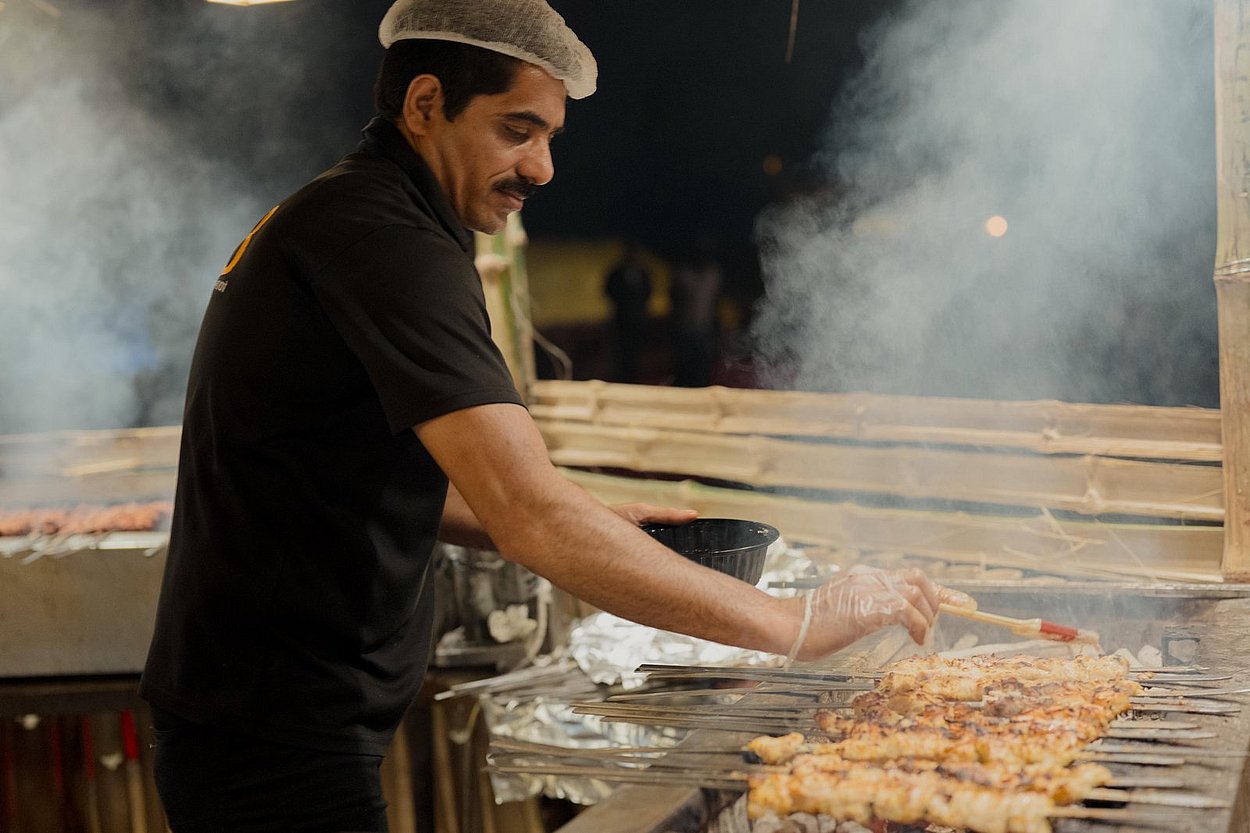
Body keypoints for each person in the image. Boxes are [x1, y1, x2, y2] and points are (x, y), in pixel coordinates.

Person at [139, 2, 973, 831]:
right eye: (516, 130)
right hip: (267, 729)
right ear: (425, 104)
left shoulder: (361, 214)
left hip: (261, 714)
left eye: (549, 138)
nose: (541, 168)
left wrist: (591, 517)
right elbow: (527, 511)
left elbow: (344, 463)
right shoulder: (383, 239)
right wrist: (797, 624)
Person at [670, 237, 724, 386]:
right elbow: (674, 299)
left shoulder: (714, 274)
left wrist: (716, 327)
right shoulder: (683, 274)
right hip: (685, 328)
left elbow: (716, 301)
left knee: (702, 369)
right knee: (683, 368)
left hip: (704, 328)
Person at [603, 241, 653, 382]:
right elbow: (609, 290)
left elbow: (648, 293)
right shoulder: (618, 272)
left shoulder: (643, 273)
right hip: (621, 320)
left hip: (638, 320)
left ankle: (635, 379)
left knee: (636, 355)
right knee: (620, 355)